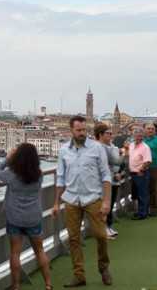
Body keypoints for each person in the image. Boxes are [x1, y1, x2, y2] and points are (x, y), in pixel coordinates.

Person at [53, 116, 112, 287]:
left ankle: (103, 267)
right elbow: (60, 178)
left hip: (93, 198)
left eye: (84, 130)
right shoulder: (64, 150)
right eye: (78, 130)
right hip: (71, 199)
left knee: (101, 235)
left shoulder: (97, 148)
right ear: (71, 130)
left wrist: (106, 201)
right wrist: (56, 203)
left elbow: (106, 175)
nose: (82, 133)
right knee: (73, 238)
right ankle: (79, 275)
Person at [0, 143, 52, 290]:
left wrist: (8, 159)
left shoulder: (12, 175)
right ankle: (48, 284)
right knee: (40, 251)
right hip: (33, 217)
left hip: (15, 218)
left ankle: (16, 285)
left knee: (15, 253)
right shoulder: (39, 175)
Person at [93, 123, 125, 239]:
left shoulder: (110, 146)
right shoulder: (101, 147)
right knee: (105, 205)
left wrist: (118, 172)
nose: (111, 135)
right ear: (100, 135)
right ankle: (104, 228)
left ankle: (107, 227)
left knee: (109, 205)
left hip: (112, 178)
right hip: (103, 181)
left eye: (111, 133)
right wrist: (124, 153)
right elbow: (116, 161)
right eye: (108, 133)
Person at [128, 127, 152, 220]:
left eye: (140, 136)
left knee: (142, 194)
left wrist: (141, 170)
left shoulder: (145, 147)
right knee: (136, 194)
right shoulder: (131, 145)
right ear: (134, 136)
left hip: (141, 173)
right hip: (133, 173)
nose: (138, 137)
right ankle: (139, 211)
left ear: (142, 137)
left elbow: (148, 161)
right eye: (137, 135)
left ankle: (142, 213)